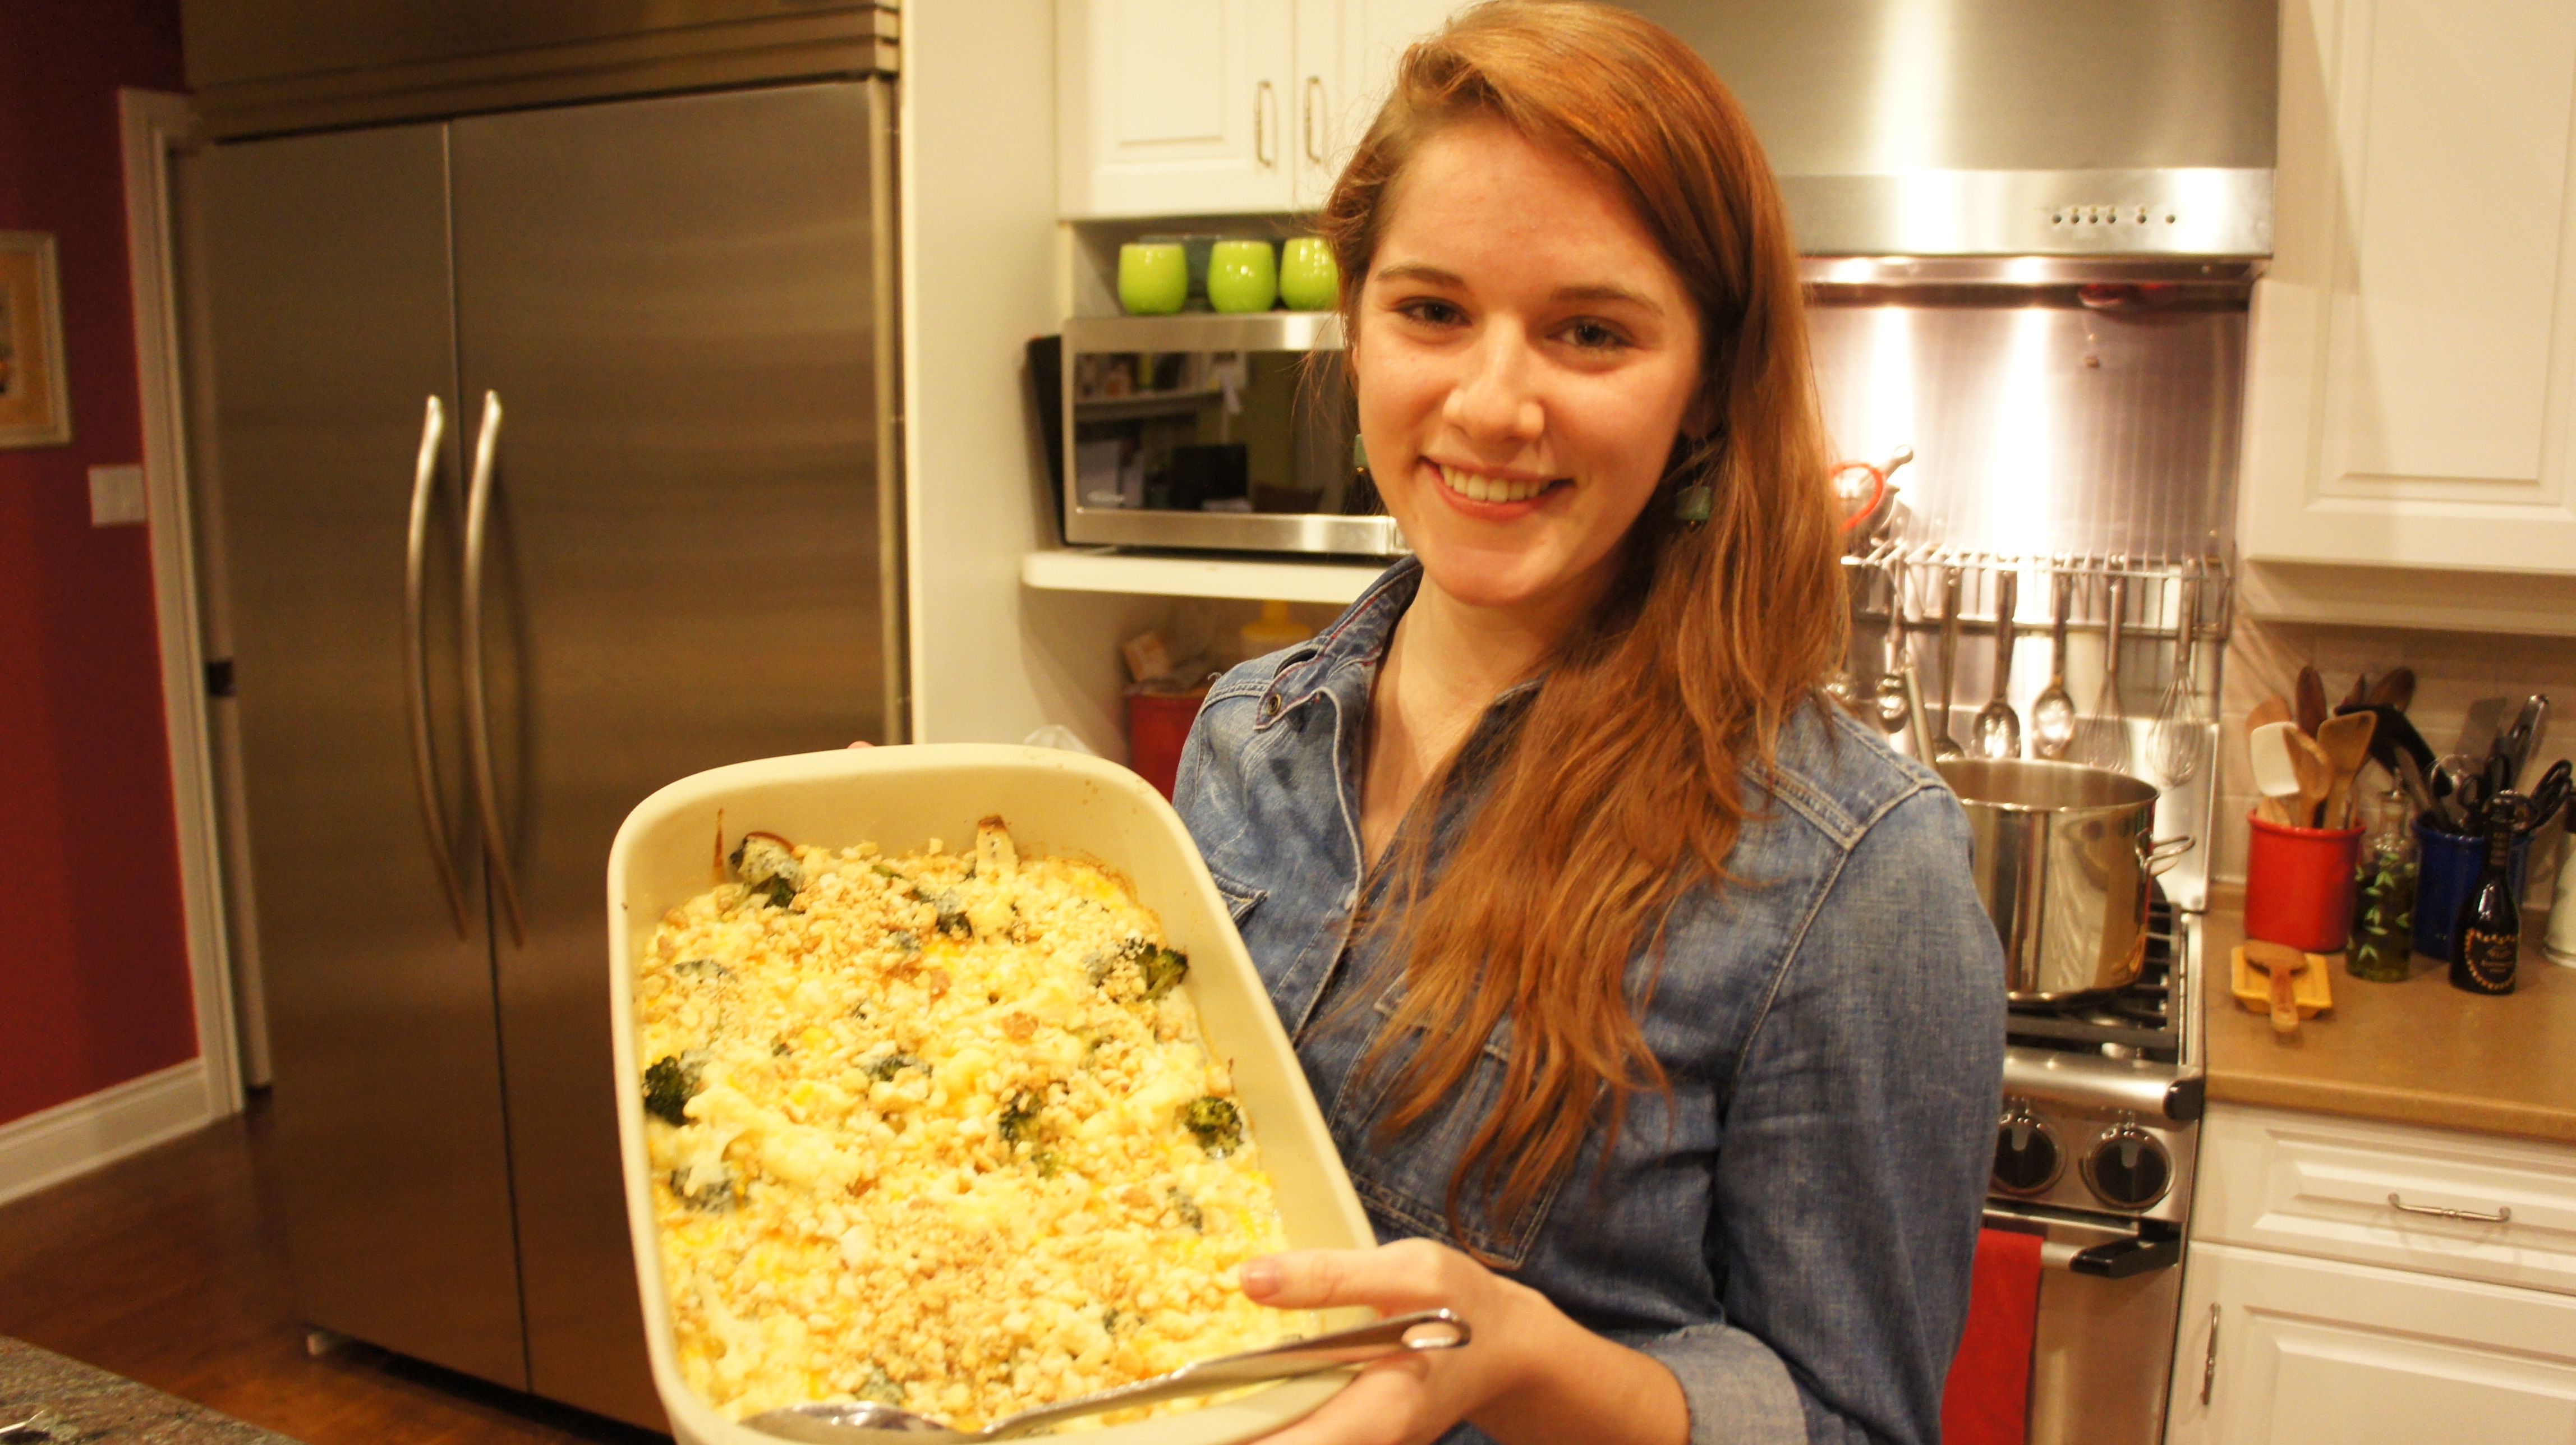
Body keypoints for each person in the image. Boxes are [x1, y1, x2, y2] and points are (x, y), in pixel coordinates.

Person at [1169, 6, 2005, 1444]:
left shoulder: (1854, 872)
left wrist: (1525, 1363)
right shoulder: (1246, 732)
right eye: (1432, 311)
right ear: (1356, 325)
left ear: (1705, 386)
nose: (1493, 406)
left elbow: (1854, 1423)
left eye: (1591, 332)